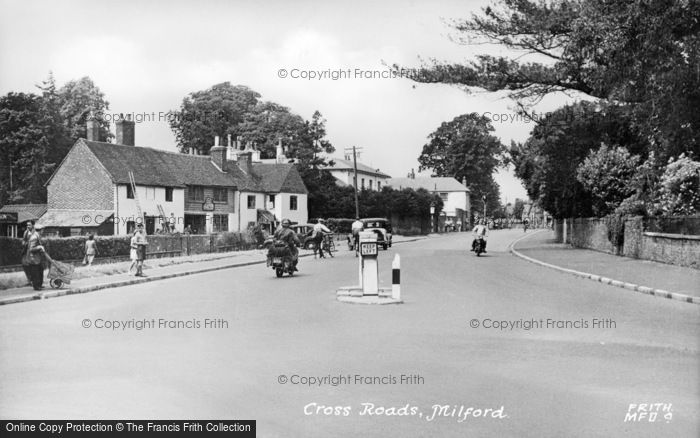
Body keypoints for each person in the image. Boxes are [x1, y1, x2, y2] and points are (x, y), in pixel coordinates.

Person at [24, 223, 46, 290]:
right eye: (43, 230)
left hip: (37, 258)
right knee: (35, 272)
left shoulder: (37, 235)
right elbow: (31, 249)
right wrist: (39, 247)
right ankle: (36, 287)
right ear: (40, 230)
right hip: (33, 258)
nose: (43, 231)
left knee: (40, 270)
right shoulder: (34, 237)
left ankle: (39, 284)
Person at [20, 220, 34, 286]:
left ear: (33, 225)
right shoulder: (26, 232)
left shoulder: (35, 232)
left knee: (33, 266)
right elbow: (24, 240)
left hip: (33, 252)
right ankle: (29, 280)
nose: (28, 226)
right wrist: (24, 243)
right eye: (27, 225)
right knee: (25, 265)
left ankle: (34, 280)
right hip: (26, 251)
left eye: (29, 225)